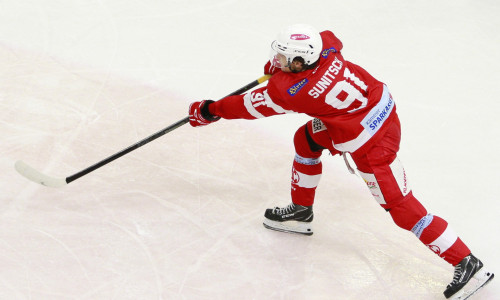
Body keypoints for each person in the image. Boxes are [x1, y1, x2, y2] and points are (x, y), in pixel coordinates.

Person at [188, 24, 494, 299]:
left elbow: (249, 105)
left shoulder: (293, 90)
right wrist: (279, 65)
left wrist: (210, 110)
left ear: (299, 63)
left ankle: (467, 263)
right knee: (306, 139)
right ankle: (301, 211)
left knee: (401, 209)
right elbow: (330, 36)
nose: (277, 62)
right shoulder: (327, 48)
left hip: (370, 145)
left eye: (284, 59)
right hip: (378, 115)